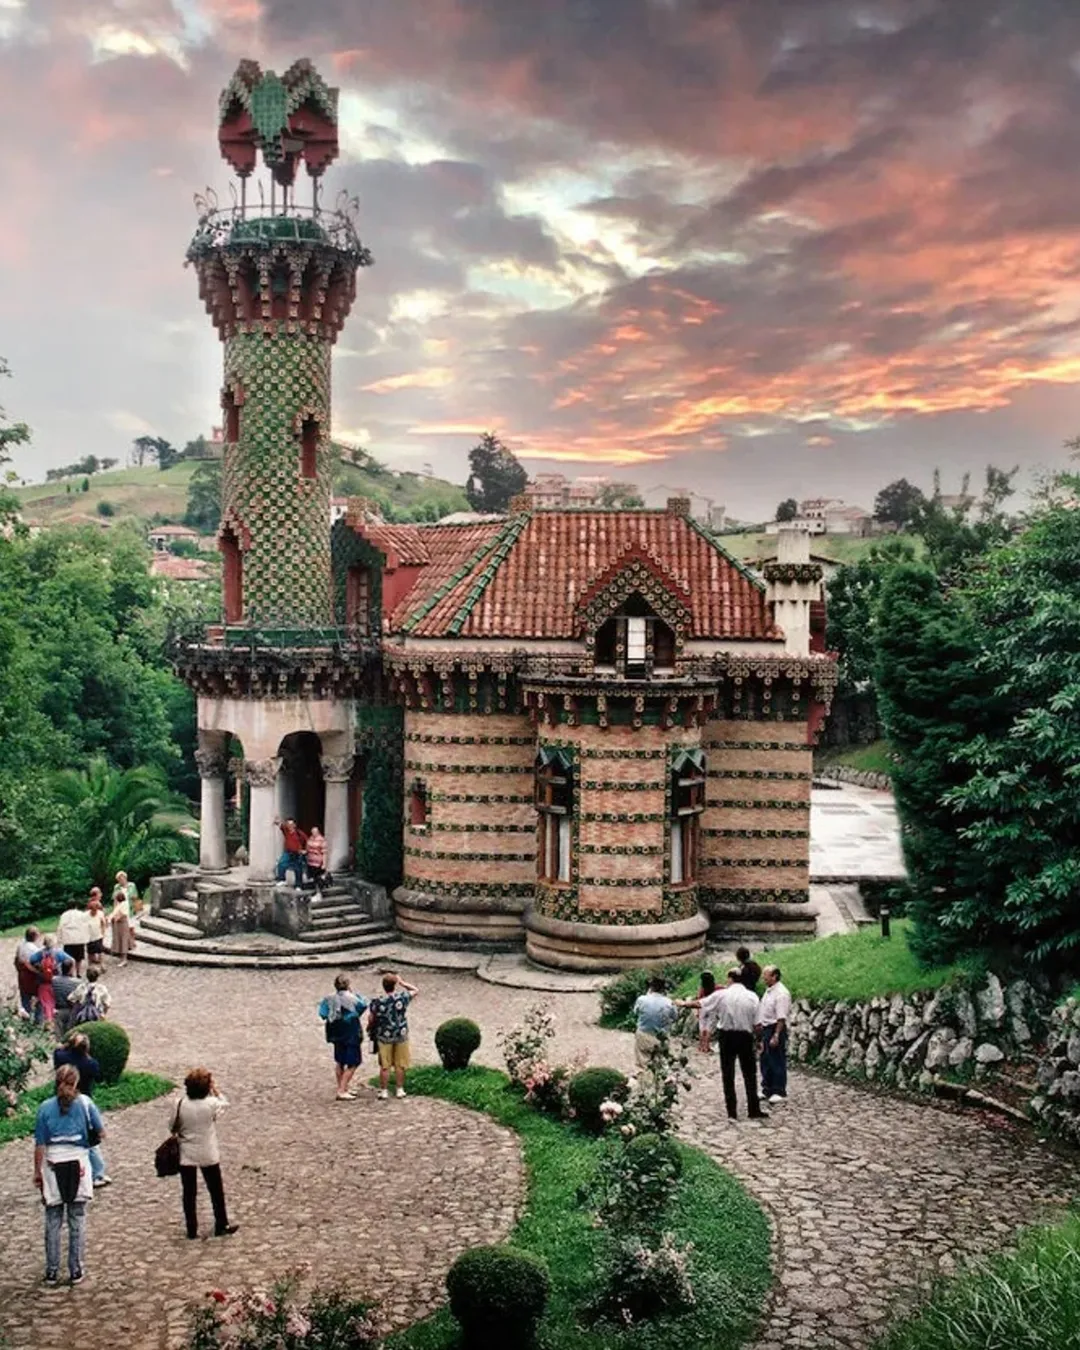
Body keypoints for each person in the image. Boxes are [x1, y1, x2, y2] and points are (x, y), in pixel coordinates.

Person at [33, 1064, 104, 1286]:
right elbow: (101, 1132)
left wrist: (37, 1172)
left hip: (53, 1165)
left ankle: (52, 1270)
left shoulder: (44, 1108)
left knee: (53, 1220)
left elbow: (40, 1144)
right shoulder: (85, 1104)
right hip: (79, 1163)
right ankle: (76, 1269)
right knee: (77, 1218)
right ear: (76, 1083)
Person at [172, 1068, 238, 1240]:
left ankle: (191, 1228)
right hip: (207, 1151)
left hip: (186, 1152)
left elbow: (171, 1124)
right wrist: (216, 1090)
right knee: (216, 1190)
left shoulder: (179, 1104)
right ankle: (221, 1223)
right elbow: (224, 1102)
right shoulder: (211, 1104)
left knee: (189, 1192)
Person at [54, 1033, 110, 1187]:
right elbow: (99, 1077)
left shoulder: (61, 1057)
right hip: (83, 1099)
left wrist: (67, 1045)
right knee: (90, 1141)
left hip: (60, 1100)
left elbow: (57, 1051)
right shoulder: (90, 1063)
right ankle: (97, 1173)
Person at [715, 967, 767, 1123]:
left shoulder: (721, 995)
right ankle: (753, 1108)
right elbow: (758, 1024)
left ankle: (732, 1112)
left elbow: (703, 1004)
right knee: (750, 1074)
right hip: (745, 1036)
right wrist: (758, 1041)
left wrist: (684, 1003)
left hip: (726, 1036)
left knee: (728, 1074)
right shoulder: (752, 997)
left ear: (730, 979)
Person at [368, 972, 418, 1100]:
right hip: (400, 1034)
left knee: (385, 1065)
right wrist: (402, 982)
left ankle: (384, 1091)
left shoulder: (377, 1002)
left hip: (384, 1036)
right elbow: (415, 990)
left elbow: (371, 1019)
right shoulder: (401, 998)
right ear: (394, 985)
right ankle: (399, 1089)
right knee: (400, 1064)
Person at [318, 973, 367, 1099]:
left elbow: (322, 1014)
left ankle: (342, 1086)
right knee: (353, 1062)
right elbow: (363, 1006)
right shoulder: (353, 999)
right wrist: (354, 993)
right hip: (351, 1033)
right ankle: (341, 1090)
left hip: (335, 1033)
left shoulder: (328, 999)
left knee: (340, 1061)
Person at [758, 965, 792, 1105]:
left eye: (766, 975)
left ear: (774, 976)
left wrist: (776, 1035)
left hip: (775, 1028)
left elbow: (781, 1017)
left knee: (776, 1059)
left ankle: (778, 1089)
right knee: (765, 1059)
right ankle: (767, 1087)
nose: (763, 978)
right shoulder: (768, 992)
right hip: (766, 1027)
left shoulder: (781, 993)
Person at [632, 976, 677, 1070]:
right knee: (662, 1062)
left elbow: (636, 1012)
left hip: (644, 1034)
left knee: (643, 1063)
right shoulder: (669, 1002)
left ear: (650, 988)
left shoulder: (642, 999)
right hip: (662, 1037)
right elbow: (674, 1017)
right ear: (664, 989)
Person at [29, 936, 71, 1030]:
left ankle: (47, 1023)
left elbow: (31, 960)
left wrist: (38, 968)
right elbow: (71, 960)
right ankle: (55, 1024)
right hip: (56, 981)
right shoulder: (59, 953)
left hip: (43, 982)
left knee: (46, 1003)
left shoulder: (40, 953)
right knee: (54, 1003)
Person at [676, 973, 725, 1054]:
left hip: (702, 1008)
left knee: (702, 1028)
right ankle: (706, 1047)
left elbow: (699, 1000)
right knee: (709, 1028)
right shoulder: (717, 988)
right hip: (712, 1009)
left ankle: (701, 1046)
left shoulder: (703, 989)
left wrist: (698, 1013)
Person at [14, 926, 42, 1023]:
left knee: (25, 998)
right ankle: (38, 1020)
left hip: (22, 976)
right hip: (32, 977)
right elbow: (39, 965)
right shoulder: (35, 950)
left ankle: (26, 1020)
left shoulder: (20, 946)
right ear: (35, 936)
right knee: (41, 997)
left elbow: (16, 961)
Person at [56, 904, 91, 978]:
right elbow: (86, 925)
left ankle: (70, 973)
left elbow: (60, 927)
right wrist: (86, 938)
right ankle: (78, 972)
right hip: (79, 939)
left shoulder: (64, 915)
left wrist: (59, 939)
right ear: (76, 906)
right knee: (79, 958)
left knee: (68, 958)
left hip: (68, 940)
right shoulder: (81, 914)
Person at [52, 959, 82, 1041]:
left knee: (58, 1035)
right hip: (71, 1010)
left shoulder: (54, 980)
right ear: (71, 969)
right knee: (70, 1034)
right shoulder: (77, 983)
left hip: (58, 1010)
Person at [274, 817, 308, 885]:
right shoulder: (285, 830)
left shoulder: (299, 833)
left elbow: (307, 841)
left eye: (291, 824)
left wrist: (305, 850)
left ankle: (298, 885)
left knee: (298, 869)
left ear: (294, 825)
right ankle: (282, 880)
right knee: (281, 864)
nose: (289, 826)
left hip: (297, 853)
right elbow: (280, 824)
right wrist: (277, 821)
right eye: (288, 824)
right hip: (288, 852)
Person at [109, 878, 133, 966]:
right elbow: (114, 912)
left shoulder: (124, 904)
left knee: (123, 940)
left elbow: (124, 914)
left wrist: (116, 918)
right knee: (120, 940)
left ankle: (124, 959)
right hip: (119, 924)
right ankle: (121, 958)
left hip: (122, 924)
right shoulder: (119, 905)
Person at [85, 891, 107, 968]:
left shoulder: (100, 913)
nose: (95, 912)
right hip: (89, 936)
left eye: (96, 910)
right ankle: (90, 966)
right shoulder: (86, 915)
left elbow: (104, 923)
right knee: (90, 952)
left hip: (98, 935)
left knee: (100, 951)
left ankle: (102, 965)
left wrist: (103, 932)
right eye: (93, 910)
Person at [305, 826, 328, 891]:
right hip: (310, 861)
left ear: (318, 832)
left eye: (315, 832)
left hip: (318, 862)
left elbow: (324, 853)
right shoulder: (310, 839)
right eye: (312, 832)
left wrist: (324, 863)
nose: (313, 833)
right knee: (312, 877)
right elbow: (307, 848)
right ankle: (315, 890)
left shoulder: (321, 840)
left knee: (318, 877)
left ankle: (319, 890)